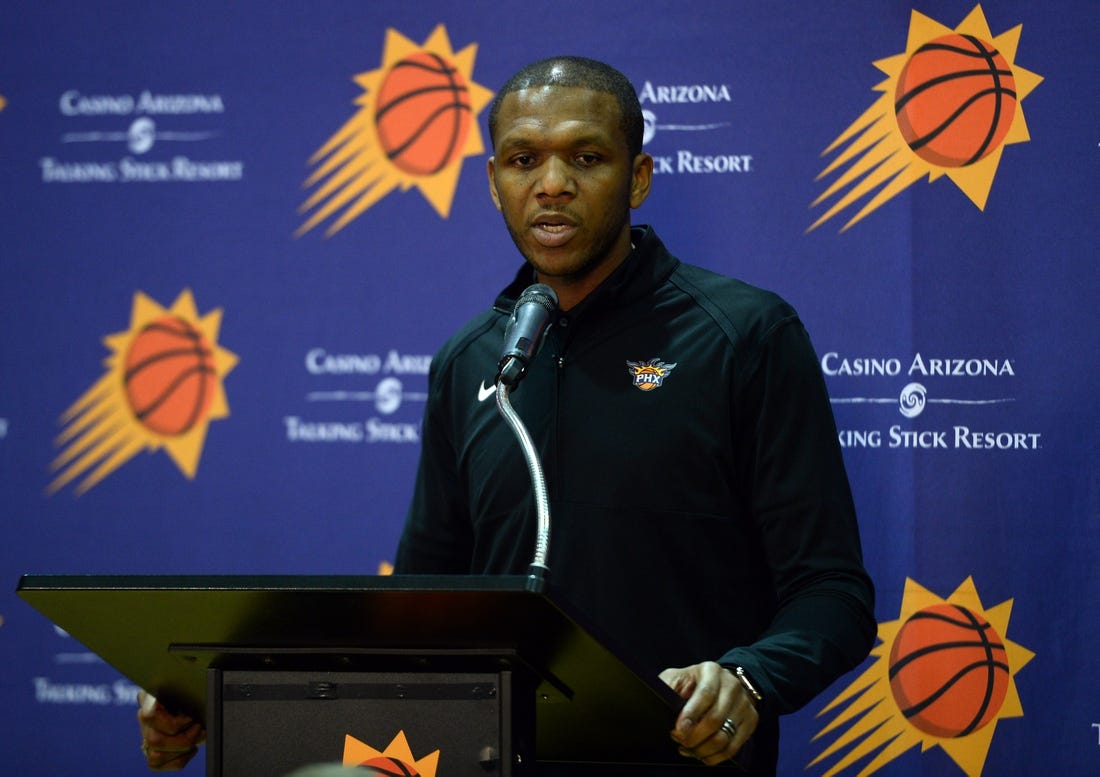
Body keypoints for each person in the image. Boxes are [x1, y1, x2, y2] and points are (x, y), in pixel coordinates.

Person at [138, 56, 875, 775]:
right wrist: (225, 695)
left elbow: (832, 594)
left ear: (639, 178)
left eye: (586, 157)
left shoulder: (743, 335)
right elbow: (418, 611)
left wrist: (745, 679)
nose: (552, 185)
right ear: (494, 184)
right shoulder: (468, 360)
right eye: (523, 160)